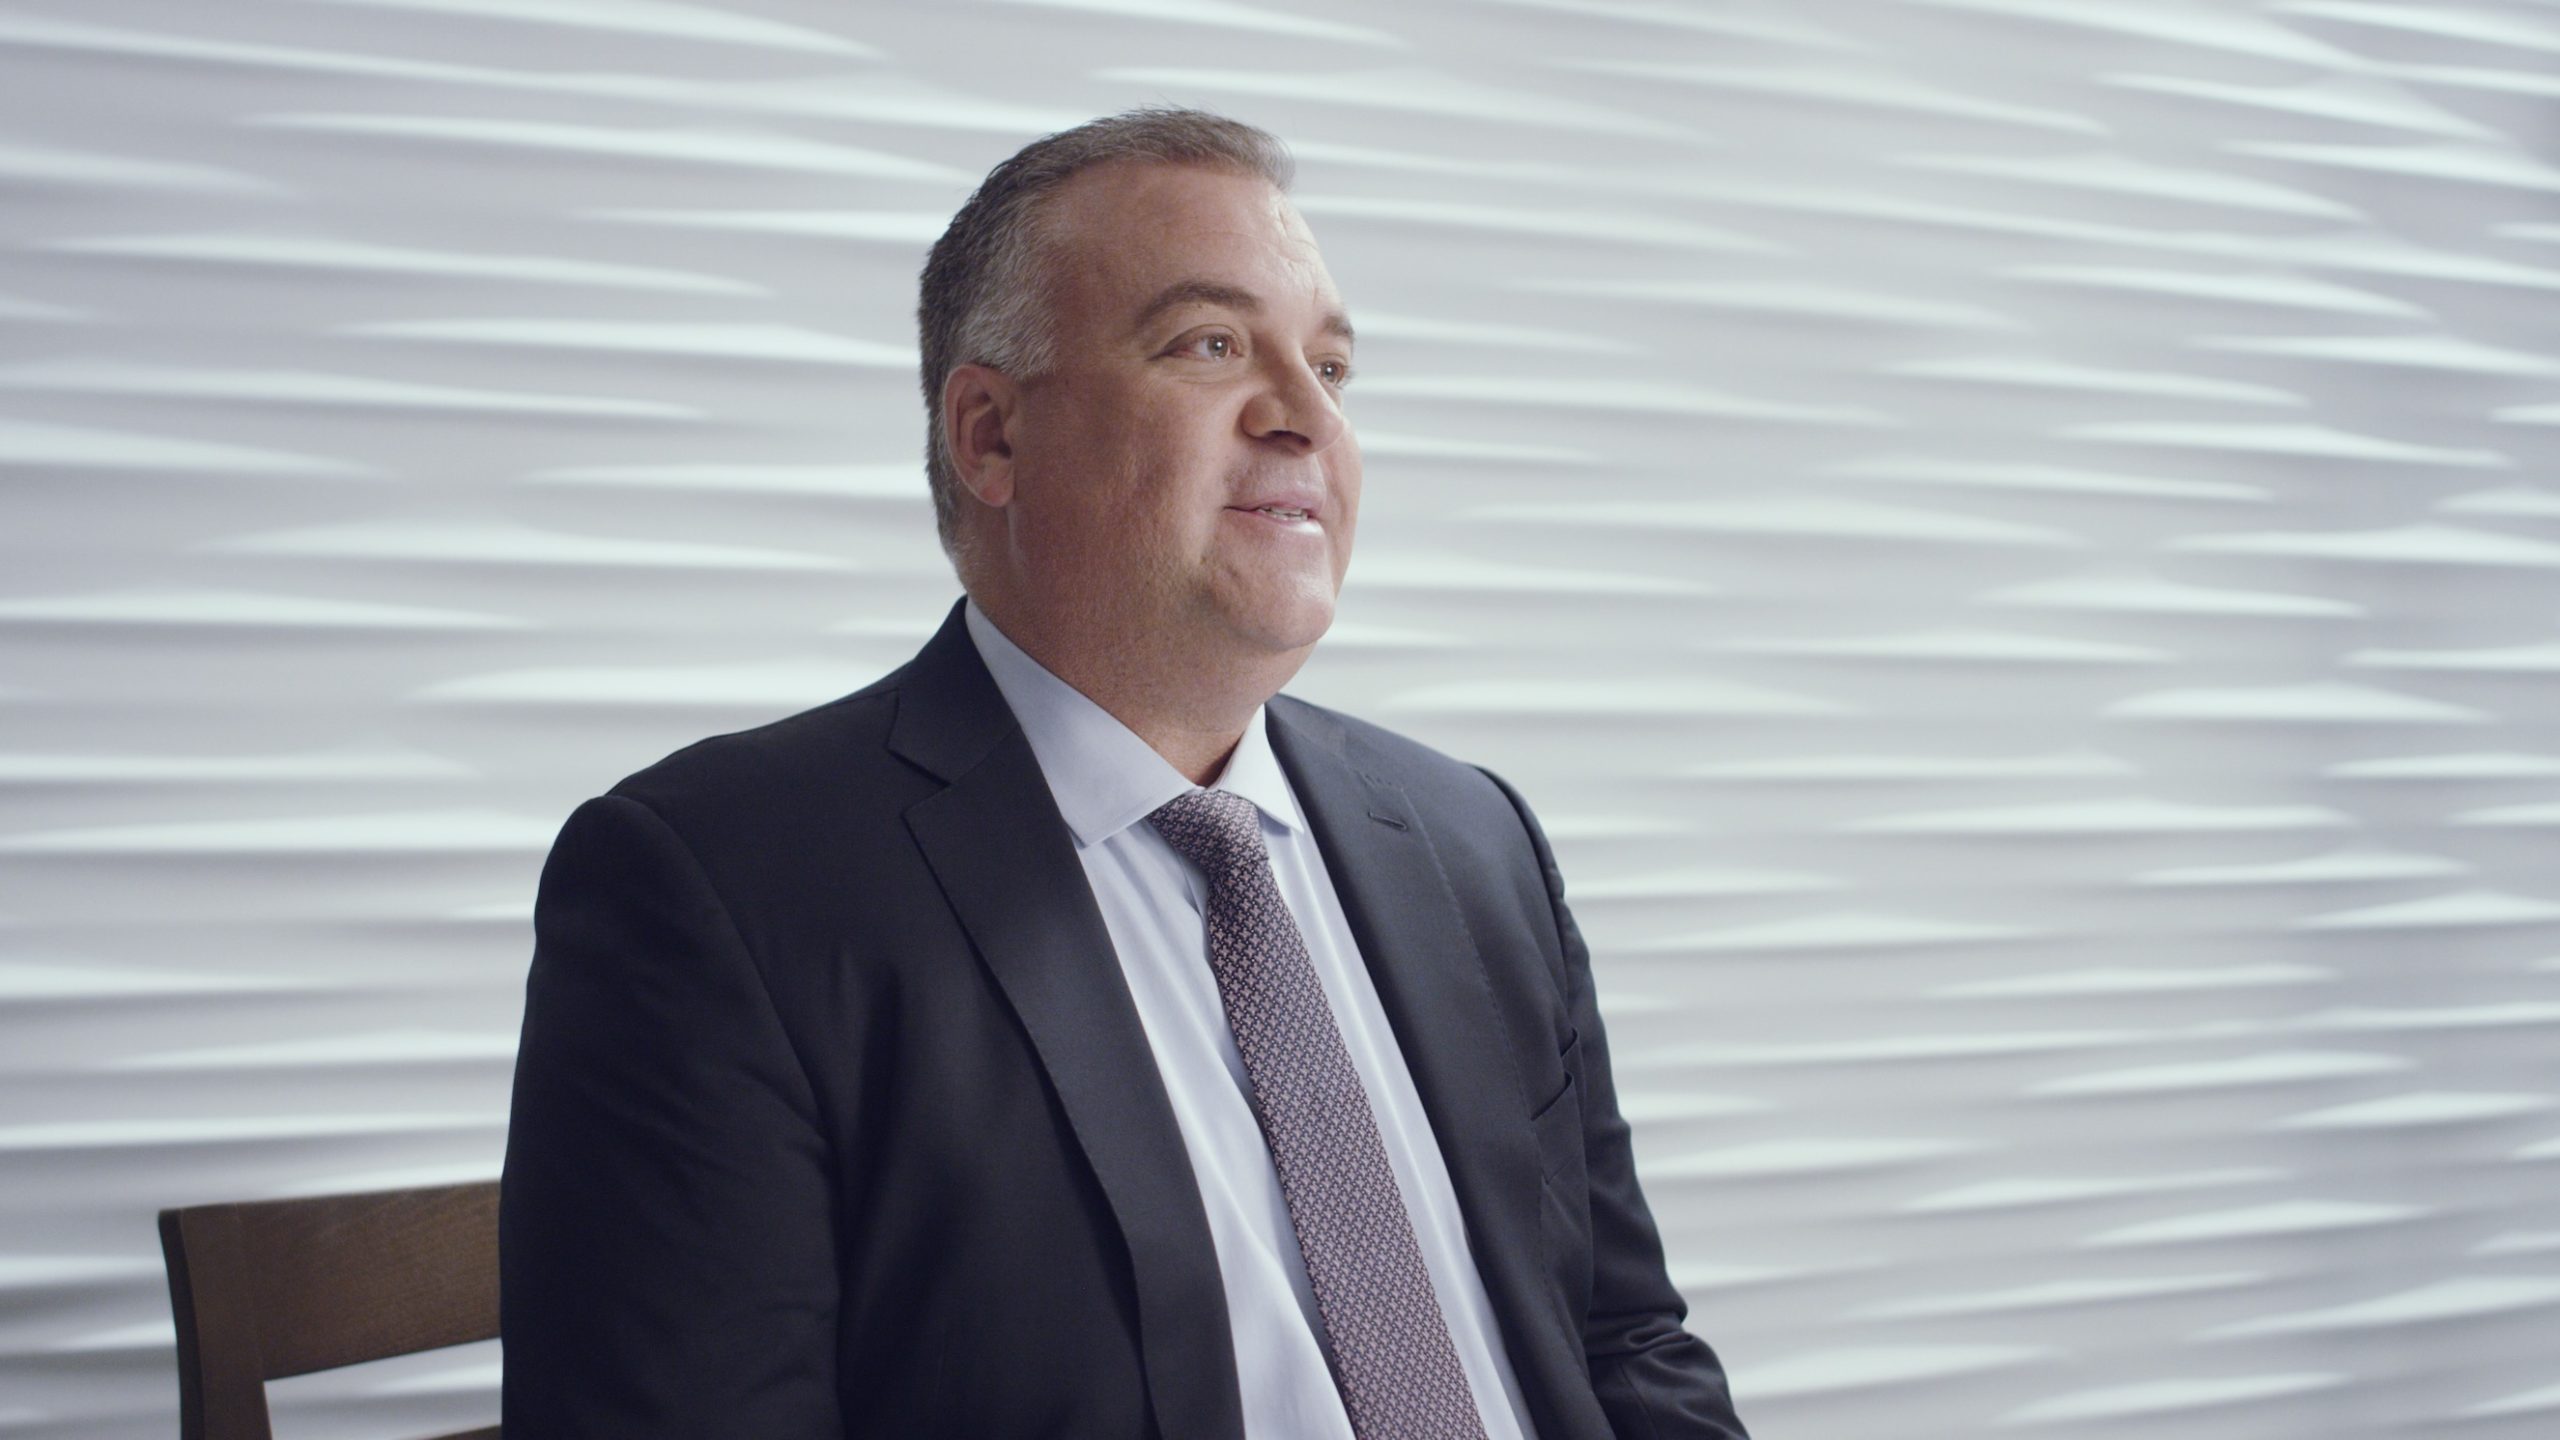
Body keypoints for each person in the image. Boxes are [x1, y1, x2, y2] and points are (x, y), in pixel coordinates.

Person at [500, 107, 1749, 1440]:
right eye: (1212, 345)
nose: (1304, 417)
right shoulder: (718, 888)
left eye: (1331, 365)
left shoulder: (1471, 841)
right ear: (990, 437)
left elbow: (1623, 1341)